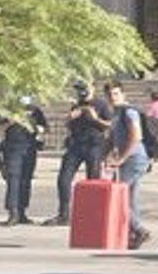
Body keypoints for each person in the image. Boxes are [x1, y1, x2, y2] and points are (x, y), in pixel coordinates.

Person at [42, 80, 113, 226]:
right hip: (75, 145)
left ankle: (92, 215)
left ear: (92, 88)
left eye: (84, 88)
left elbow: (110, 125)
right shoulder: (77, 104)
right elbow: (68, 124)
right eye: (79, 89)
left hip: (94, 146)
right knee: (63, 178)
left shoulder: (101, 104)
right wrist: (70, 117)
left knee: (92, 181)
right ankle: (64, 214)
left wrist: (95, 118)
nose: (81, 92)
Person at [103, 81, 151, 250]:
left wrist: (122, 158)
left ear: (123, 94)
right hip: (130, 159)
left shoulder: (129, 112)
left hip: (135, 159)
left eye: (116, 94)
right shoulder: (116, 114)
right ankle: (133, 233)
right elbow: (111, 138)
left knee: (120, 196)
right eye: (109, 95)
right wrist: (106, 154)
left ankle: (138, 230)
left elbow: (136, 137)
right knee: (130, 198)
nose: (112, 97)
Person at [0, 113, 37, 226]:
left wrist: (37, 127)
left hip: (29, 149)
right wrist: (11, 121)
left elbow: (43, 127)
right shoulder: (9, 109)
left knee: (25, 181)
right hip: (12, 149)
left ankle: (22, 213)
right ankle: (13, 213)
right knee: (13, 179)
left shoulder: (33, 110)